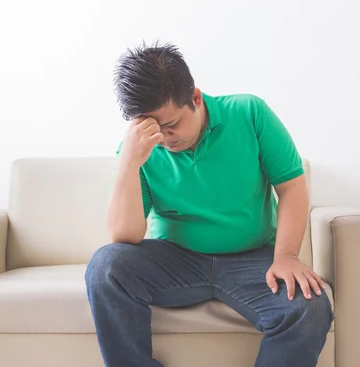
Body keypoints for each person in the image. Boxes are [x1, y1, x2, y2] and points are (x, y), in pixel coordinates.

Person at [85, 42, 333, 367]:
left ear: (195, 98)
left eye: (171, 124)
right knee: (106, 265)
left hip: (252, 259)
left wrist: (286, 257)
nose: (164, 137)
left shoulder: (249, 113)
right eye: (152, 128)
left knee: (310, 308)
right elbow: (125, 236)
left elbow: (292, 187)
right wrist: (129, 163)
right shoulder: (139, 149)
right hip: (175, 261)